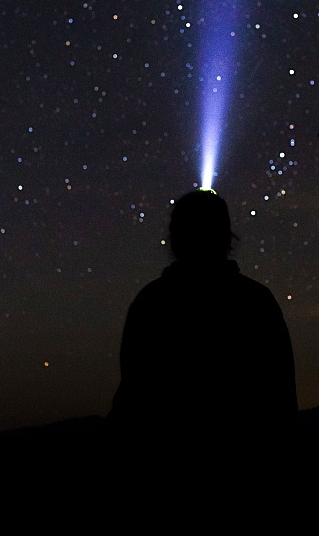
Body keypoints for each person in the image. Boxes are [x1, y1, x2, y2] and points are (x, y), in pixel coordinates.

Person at [107, 189, 297, 460]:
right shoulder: (255, 300)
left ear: (175, 236)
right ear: (225, 236)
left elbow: (135, 394)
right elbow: (280, 396)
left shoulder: (152, 302)